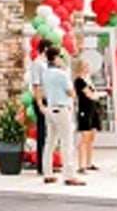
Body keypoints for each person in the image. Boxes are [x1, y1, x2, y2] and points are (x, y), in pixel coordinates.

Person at [40, 46, 84, 186]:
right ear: (57, 57)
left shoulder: (45, 73)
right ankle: (69, 175)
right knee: (67, 142)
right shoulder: (62, 74)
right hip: (62, 108)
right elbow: (71, 92)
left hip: (50, 108)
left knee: (50, 142)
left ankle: (48, 173)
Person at [74, 58, 100, 174]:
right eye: (85, 66)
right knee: (84, 137)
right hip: (84, 110)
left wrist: (96, 95)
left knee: (91, 137)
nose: (88, 68)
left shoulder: (88, 79)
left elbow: (93, 93)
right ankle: (81, 165)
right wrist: (97, 95)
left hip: (92, 109)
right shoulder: (79, 81)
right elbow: (89, 94)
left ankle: (89, 162)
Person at [30, 39, 52, 175]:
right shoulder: (37, 64)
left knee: (49, 133)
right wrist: (39, 103)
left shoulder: (47, 64)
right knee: (42, 133)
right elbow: (36, 85)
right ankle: (41, 166)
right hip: (42, 99)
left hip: (50, 99)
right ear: (45, 49)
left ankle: (47, 163)